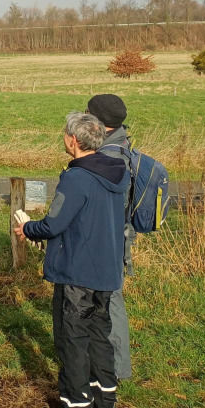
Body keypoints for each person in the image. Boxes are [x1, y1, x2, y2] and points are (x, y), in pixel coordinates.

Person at [14, 112, 129, 408]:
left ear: (73, 140)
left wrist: (28, 228)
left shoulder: (76, 178)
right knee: (99, 336)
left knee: (73, 340)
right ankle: (105, 402)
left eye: (65, 134)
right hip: (106, 271)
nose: (63, 138)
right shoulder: (116, 173)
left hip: (77, 272)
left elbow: (54, 223)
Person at [86, 94, 134, 381]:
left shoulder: (110, 156)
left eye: (87, 112)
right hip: (113, 236)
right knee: (104, 300)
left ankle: (116, 369)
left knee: (110, 300)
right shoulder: (118, 144)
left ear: (99, 122)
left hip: (109, 240)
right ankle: (103, 361)